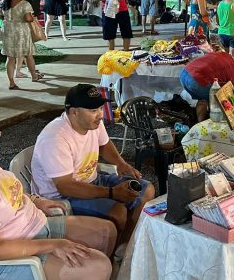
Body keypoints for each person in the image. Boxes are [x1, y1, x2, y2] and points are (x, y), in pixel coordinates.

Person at [0, 112, 115, 280]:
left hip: (30, 226)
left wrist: (34, 200)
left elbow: (4, 191)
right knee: (99, 266)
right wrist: (52, 245)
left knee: (106, 231)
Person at [31, 84, 155, 251]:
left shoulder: (92, 123)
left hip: (92, 179)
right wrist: (112, 193)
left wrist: (121, 163)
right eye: (93, 110)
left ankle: (125, 247)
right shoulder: (55, 138)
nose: (100, 115)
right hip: (62, 196)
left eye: (100, 108)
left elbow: (104, 144)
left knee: (146, 190)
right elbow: (66, 186)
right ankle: (112, 257)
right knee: (118, 211)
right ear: (74, 112)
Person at [180, 52, 234, 121]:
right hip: (196, 80)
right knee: (210, 101)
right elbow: (228, 97)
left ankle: (200, 122)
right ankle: (202, 125)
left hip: (184, 73)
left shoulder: (226, 55)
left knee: (204, 99)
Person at [0, 0, 43, 89]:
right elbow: (28, 19)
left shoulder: (5, 1)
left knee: (10, 58)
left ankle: (11, 82)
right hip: (21, 32)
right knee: (28, 54)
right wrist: (31, 18)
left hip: (8, 31)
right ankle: (34, 76)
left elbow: (0, 15)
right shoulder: (24, 4)